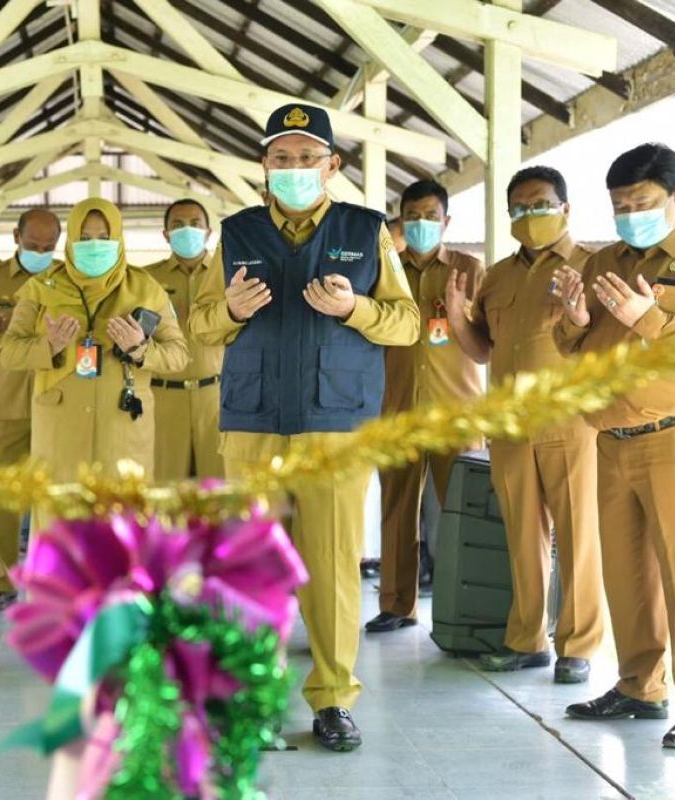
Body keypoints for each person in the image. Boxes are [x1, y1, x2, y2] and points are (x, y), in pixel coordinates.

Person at [190, 104, 419, 751]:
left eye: (307, 158)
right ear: (264, 167)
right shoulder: (237, 233)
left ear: (332, 166)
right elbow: (199, 323)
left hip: (336, 423)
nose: (294, 170)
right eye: (281, 159)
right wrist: (229, 310)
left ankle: (333, 699)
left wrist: (356, 308)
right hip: (252, 422)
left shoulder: (365, 230)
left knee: (333, 565)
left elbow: (405, 323)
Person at [554, 143, 675, 748]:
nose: (629, 215)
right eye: (619, 206)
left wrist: (650, 317)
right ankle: (640, 686)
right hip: (611, 439)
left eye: (641, 203)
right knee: (626, 574)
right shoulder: (603, 261)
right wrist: (574, 322)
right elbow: (573, 347)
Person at [444, 166, 605, 683]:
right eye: (518, 208)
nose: (528, 216)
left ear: (565, 208)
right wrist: (455, 317)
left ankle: (577, 647)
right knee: (521, 535)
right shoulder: (499, 275)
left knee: (579, 536)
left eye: (539, 205)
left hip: (571, 424)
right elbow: (483, 350)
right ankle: (526, 640)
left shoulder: (592, 266)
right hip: (510, 427)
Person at [0, 197, 189, 534]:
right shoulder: (41, 288)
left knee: (123, 525)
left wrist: (140, 348)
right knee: (60, 526)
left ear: (119, 239)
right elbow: (8, 352)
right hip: (59, 429)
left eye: (104, 236)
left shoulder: (146, 287)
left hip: (123, 428)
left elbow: (178, 355)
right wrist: (49, 346)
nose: (94, 245)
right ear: (70, 240)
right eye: (85, 237)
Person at [365, 179, 484, 635]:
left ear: (446, 221)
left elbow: (487, 344)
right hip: (395, 411)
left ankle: (468, 604)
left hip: (456, 414)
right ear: (400, 221)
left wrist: (459, 315)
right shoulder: (382, 272)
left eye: (430, 216)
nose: (420, 225)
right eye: (412, 217)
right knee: (397, 513)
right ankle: (397, 604)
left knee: (461, 512)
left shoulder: (470, 271)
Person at [0, 208, 61, 613]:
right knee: (4, 497)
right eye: (33, 246)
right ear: (15, 237)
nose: (41, 253)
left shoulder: (68, 279)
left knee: (55, 498)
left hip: (57, 401)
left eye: (48, 247)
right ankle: (1, 580)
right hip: (6, 401)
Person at [144, 199, 224, 481]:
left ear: (208, 231)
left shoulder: (228, 275)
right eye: (177, 225)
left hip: (216, 395)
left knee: (219, 490)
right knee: (165, 488)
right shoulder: (146, 280)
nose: (186, 230)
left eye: (194, 224)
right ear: (165, 234)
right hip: (163, 396)